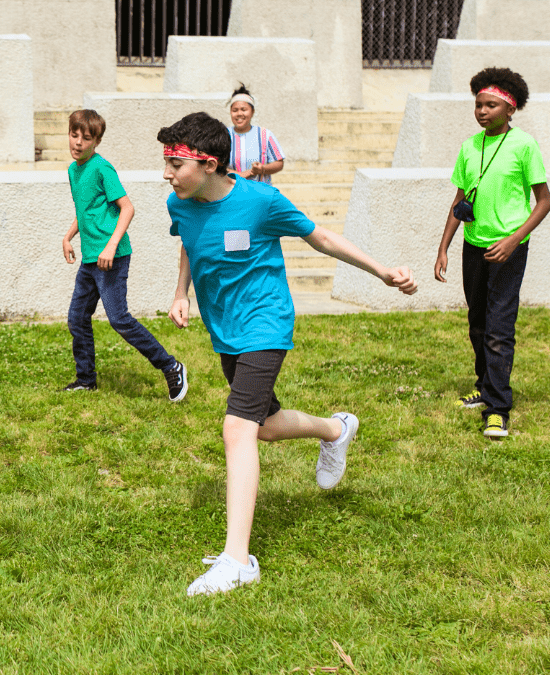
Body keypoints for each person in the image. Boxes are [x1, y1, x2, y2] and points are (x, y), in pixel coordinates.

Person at [158, 113, 417, 596]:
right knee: (265, 426)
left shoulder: (260, 200)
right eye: (166, 162)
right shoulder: (181, 203)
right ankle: (336, 429)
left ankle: (238, 560)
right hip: (225, 330)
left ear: (209, 163)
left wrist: (381, 271)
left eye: (175, 162)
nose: (167, 173)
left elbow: (320, 237)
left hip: (266, 324)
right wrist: (181, 293)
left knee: (237, 428)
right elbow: (190, 246)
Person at [435, 67, 550, 439]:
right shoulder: (470, 146)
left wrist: (514, 239)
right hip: (474, 246)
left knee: (499, 328)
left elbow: (544, 202)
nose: (482, 111)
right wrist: (444, 248)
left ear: (509, 108)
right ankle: (484, 386)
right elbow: (460, 200)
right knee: (478, 323)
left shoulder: (524, 145)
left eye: (490, 105)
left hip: (508, 249)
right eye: (478, 105)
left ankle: (498, 408)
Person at [61, 109, 188, 401]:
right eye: (74, 134)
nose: (78, 142)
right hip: (91, 258)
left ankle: (171, 366)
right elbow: (86, 211)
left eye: (86, 137)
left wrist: (110, 246)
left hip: (112, 256)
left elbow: (127, 207)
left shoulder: (102, 168)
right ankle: (86, 379)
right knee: (77, 318)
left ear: (97, 141)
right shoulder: (73, 170)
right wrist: (68, 237)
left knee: (119, 319)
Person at [225, 84, 284, 184]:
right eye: (235, 110)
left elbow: (279, 163)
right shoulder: (224, 135)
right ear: (230, 112)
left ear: (252, 112)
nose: (239, 113)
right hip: (232, 192)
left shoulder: (265, 134)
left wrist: (262, 169)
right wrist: (239, 175)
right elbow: (215, 165)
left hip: (261, 192)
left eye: (244, 109)